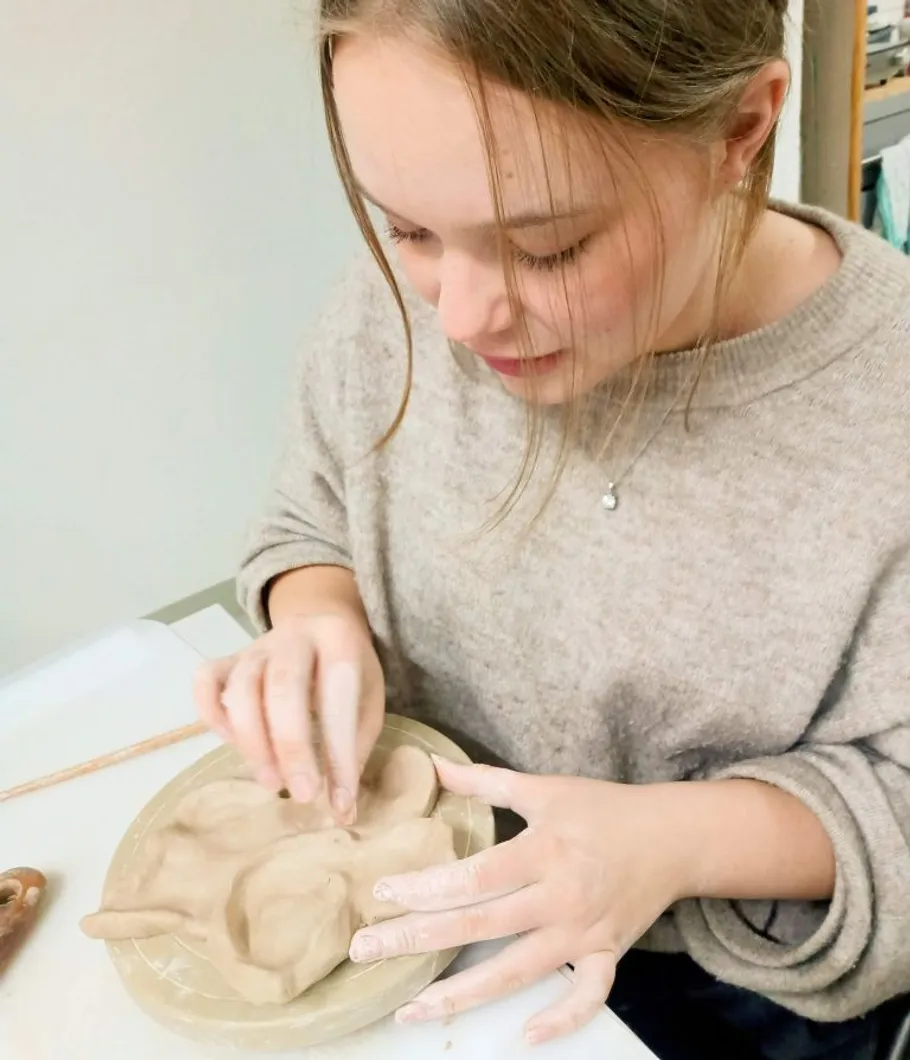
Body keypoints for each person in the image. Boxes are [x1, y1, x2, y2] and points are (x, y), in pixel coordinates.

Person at [193, 2, 910, 1058]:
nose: (457, 317)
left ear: (741, 129)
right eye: (407, 229)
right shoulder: (407, 298)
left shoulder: (886, 410)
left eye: (547, 248)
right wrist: (316, 615)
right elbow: (316, 509)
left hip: (729, 992)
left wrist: (670, 843)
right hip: (424, 929)